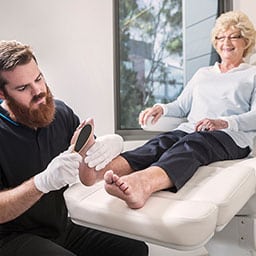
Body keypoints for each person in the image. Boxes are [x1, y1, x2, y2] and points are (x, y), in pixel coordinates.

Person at [79, 11, 256, 210]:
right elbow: (181, 105)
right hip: (192, 129)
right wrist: (161, 108)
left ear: (246, 40)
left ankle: (142, 184)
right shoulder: (203, 74)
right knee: (161, 142)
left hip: (229, 137)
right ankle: (97, 172)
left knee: (194, 142)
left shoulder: (251, 74)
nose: (226, 42)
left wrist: (224, 122)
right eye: (221, 37)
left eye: (234, 36)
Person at [0, 40, 148, 256]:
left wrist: (105, 147)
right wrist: (42, 183)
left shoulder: (59, 113)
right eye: (23, 88)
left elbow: (88, 178)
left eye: (39, 78)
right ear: (2, 94)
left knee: (134, 249)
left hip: (60, 228)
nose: (38, 91)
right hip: (10, 239)